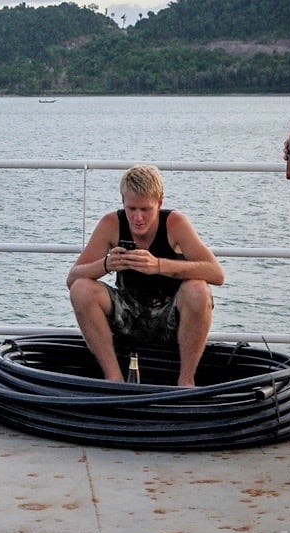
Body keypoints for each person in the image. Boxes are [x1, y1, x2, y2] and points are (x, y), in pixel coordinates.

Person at [67, 164, 225, 387]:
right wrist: (105, 264)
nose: (138, 217)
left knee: (198, 289)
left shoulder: (175, 223)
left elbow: (216, 274)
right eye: (131, 209)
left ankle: (186, 381)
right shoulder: (112, 223)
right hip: (128, 314)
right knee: (82, 289)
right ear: (123, 203)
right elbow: (72, 278)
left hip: (170, 315)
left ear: (159, 203)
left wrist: (159, 265)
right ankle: (114, 378)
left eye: (145, 209)